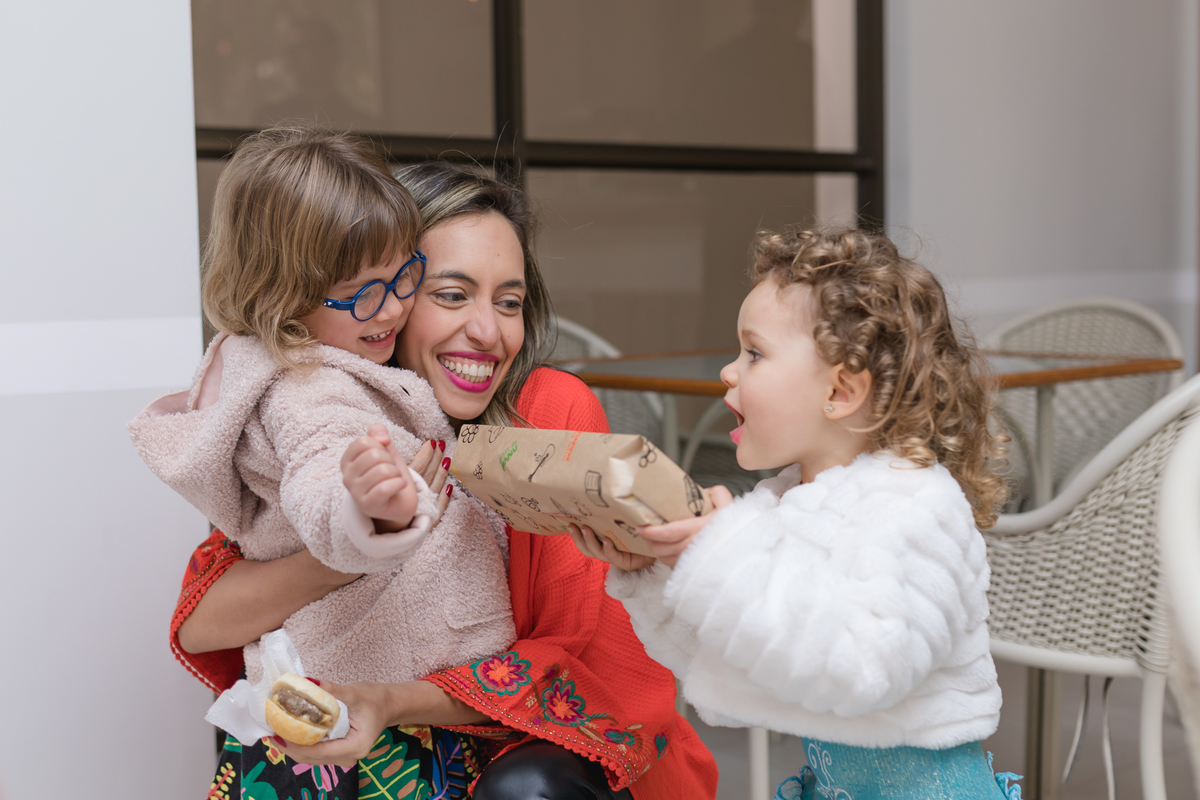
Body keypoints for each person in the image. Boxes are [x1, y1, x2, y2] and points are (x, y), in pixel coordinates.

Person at [172, 160, 719, 799]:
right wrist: (368, 541)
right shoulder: (335, 412)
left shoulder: (546, 411)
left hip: (548, 756)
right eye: (452, 295)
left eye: (509, 303)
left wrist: (386, 700)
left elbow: (563, 653)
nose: (488, 332)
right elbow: (202, 624)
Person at [572, 228, 1023, 799]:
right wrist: (658, 573)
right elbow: (741, 659)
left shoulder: (915, 505)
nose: (729, 372)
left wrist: (721, 555)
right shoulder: (786, 500)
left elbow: (865, 669)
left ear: (841, 390)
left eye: (754, 353)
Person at [131, 127, 516, 701]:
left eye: (404, 276)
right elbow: (322, 477)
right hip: (371, 710)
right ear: (282, 298)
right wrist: (369, 512)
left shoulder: (340, 363)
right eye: (361, 292)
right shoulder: (308, 390)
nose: (391, 308)